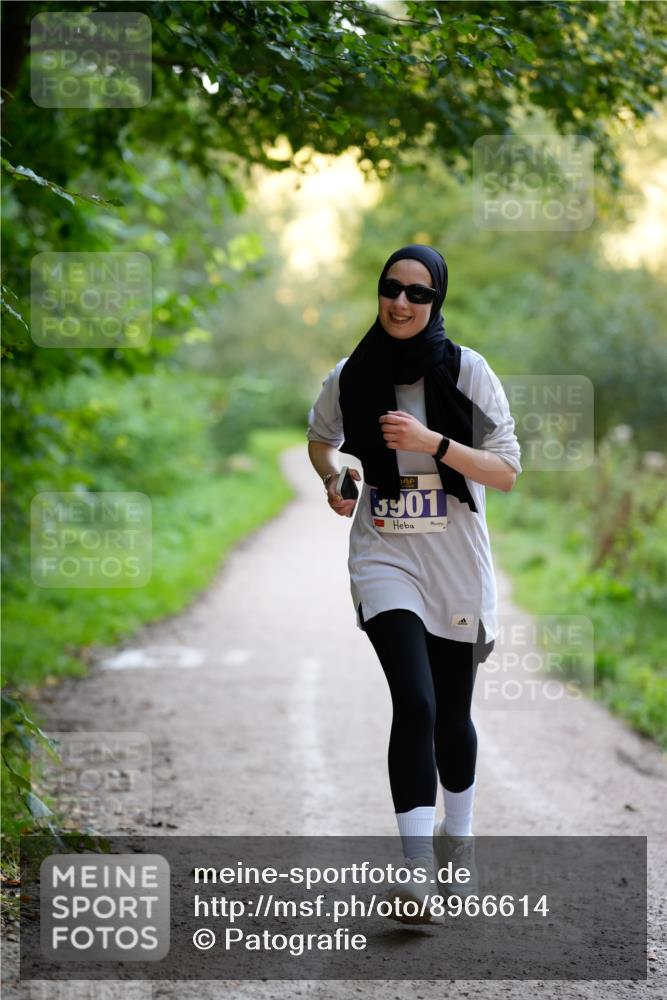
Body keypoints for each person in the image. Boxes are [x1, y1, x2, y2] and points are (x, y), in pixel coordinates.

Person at [306, 244, 521, 924]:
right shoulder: (350, 375)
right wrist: (333, 478)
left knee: (452, 715)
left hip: (455, 560)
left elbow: (506, 470)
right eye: (390, 288)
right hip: (384, 556)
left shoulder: (467, 371)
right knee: (417, 704)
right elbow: (321, 439)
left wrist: (432, 443)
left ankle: (456, 839)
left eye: (417, 293)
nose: (400, 303)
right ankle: (415, 875)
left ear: (436, 302)